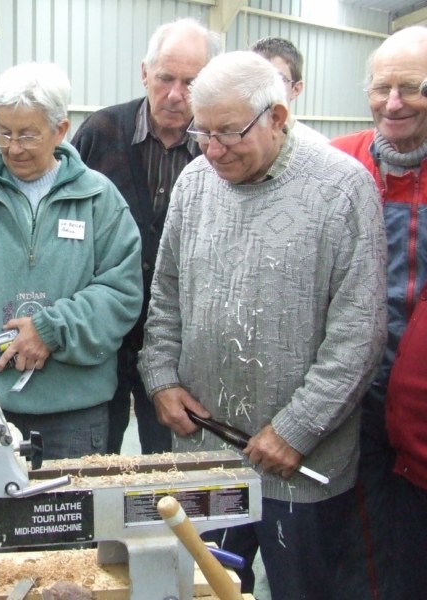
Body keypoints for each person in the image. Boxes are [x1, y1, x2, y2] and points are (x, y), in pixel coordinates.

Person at [138, 51, 387, 599]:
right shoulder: (195, 183)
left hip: (301, 467)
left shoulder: (342, 189)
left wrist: (297, 429)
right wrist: (161, 378)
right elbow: (166, 293)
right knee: (203, 589)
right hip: (205, 452)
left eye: (229, 133)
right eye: (203, 132)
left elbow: (360, 333)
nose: (213, 149)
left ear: (276, 117)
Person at [0, 62, 142, 464]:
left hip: (74, 413)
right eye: (3, 132)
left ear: (60, 130)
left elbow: (121, 293)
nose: (13, 147)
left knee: (69, 507)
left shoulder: (99, 201)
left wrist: (52, 329)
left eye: (28, 134)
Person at [71, 18, 220, 455]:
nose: (175, 94)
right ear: (144, 73)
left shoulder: (218, 150)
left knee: (169, 463)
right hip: (103, 341)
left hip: (178, 349)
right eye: (165, 78)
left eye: (190, 83)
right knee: (94, 460)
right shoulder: (99, 134)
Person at [331, 25, 427, 600]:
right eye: (382, 88)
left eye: (412, 88)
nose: (394, 103)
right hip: (354, 402)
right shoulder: (337, 165)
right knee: (359, 548)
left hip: (421, 407)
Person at [250, 36, 328, 143]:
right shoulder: (233, 142)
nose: (263, 86)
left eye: (278, 79)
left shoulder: (317, 146)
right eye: (255, 77)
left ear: (296, 89)